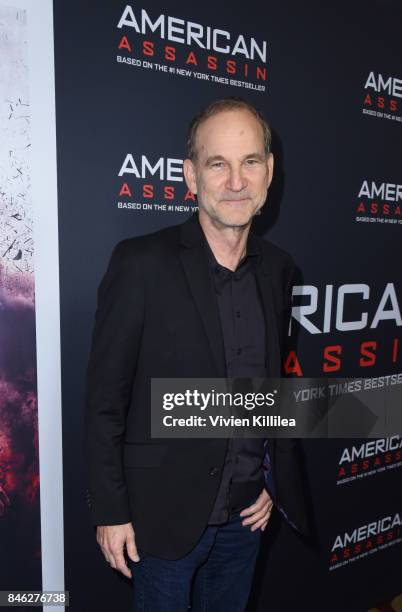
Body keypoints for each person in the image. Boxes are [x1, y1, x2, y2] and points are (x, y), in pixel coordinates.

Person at [83, 97, 310, 611]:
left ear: (269, 172)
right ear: (190, 175)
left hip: (246, 517)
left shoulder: (279, 269)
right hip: (161, 521)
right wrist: (112, 511)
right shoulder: (140, 264)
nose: (236, 181)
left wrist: (271, 478)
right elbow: (104, 402)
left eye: (250, 162)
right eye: (218, 164)